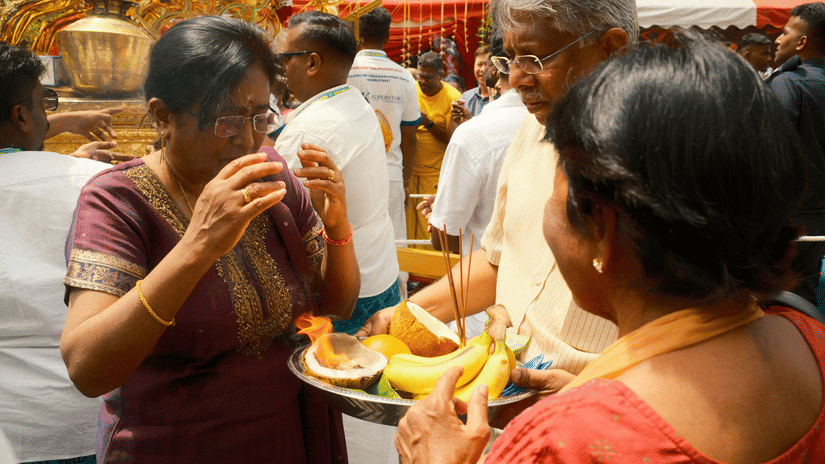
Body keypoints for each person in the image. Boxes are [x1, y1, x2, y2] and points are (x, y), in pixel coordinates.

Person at [395, 34, 825, 464]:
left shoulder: (557, 443)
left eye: (555, 191)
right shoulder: (812, 343)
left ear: (600, 228)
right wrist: (587, 394)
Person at [60, 16, 359, 463]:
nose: (247, 139)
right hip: (177, 447)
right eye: (225, 121)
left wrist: (338, 230)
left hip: (288, 436)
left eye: (260, 116)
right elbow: (87, 367)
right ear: (163, 117)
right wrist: (198, 246)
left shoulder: (270, 175)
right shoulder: (117, 202)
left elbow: (335, 307)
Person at [360, 0, 638, 382]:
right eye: (510, 60)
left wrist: (582, 391)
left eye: (537, 59)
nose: (519, 79)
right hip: (502, 391)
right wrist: (408, 312)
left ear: (612, 49)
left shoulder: (666, 165)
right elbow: (498, 260)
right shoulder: (531, 128)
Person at [0, 41, 108, 464]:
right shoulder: (100, 185)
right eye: (44, 104)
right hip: (88, 419)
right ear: (22, 116)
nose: (49, 117)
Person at [275, 10, 400, 335]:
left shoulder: (310, 132)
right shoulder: (355, 100)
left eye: (287, 57)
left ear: (312, 63)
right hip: (380, 270)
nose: (283, 67)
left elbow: (283, 221)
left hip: (347, 287)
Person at [424, 31, 528, 338]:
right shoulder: (554, 127)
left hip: (479, 310)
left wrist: (438, 218)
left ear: (495, 67)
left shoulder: (476, 134)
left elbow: (446, 240)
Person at [347, 6, 421, 300]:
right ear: (388, 35)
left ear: (359, 34)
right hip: (391, 172)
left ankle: (355, 307)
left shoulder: (347, 71)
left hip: (354, 171)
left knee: (355, 240)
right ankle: (399, 306)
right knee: (396, 242)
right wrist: (404, 180)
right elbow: (410, 135)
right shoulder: (404, 77)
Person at [767, 2, 825, 306]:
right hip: (816, 221)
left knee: (781, 302)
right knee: (804, 297)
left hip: (790, 218)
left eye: (784, 32)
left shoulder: (788, 81)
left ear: (801, 42)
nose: (777, 39)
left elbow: (770, 149)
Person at [407, 51, 461, 248]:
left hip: (435, 176)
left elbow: (451, 139)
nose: (422, 81)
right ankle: (412, 275)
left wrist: (428, 123)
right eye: (420, 75)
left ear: (441, 74)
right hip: (411, 173)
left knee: (429, 228)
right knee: (408, 231)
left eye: (428, 77)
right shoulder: (410, 90)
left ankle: (427, 276)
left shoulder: (452, 97)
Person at [451, 46, 492, 124]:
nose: (483, 69)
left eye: (487, 65)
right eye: (479, 64)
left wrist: (469, 120)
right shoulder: (465, 98)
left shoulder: (499, 97)